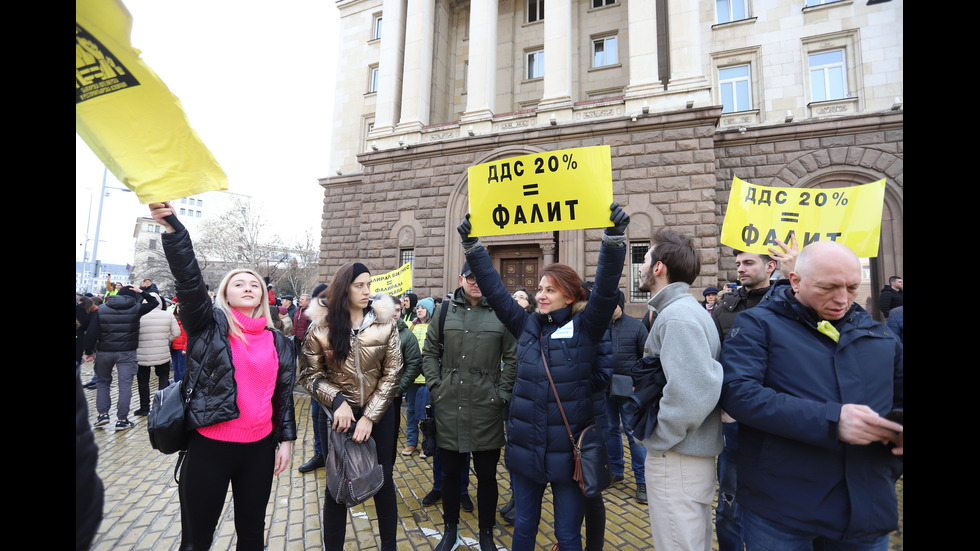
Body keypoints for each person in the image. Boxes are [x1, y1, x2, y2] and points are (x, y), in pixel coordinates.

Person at [456, 202, 629, 551]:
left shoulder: (587, 327)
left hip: (568, 454)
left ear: (570, 294)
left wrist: (613, 238)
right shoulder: (527, 324)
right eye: (539, 289)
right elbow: (493, 288)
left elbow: (607, 287)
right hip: (526, 451)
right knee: (524, 531)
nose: (541, 295)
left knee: (567, 536)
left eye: (549, 290)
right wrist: (473, 247)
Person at [720, 241, 903, 550]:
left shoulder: (882, 336)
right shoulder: (758, 325)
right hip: (782, 512)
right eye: (828, 287)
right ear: (796, 281)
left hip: (866, 510)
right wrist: (832, 421)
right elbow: (739, 393)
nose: (842, 299)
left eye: (852, 287)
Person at [149, 202, 296, 551]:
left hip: (259, 450)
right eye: (238, 284)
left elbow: (283, 396)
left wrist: (285, 441)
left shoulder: (279, 341)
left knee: (251, 536)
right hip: (209, 447)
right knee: (197, 540)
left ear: (262, 294)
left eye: (254, 285)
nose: (247, 288)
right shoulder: (208, 326)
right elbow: (188, 280)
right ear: (224, 294)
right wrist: (175, 231)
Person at [299, 262, 402, 551]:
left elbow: (393, 371)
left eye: (369, 284)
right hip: (336, 416)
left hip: (379, 414)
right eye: (359, 285)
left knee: (383, 481)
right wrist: (338, 401)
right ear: (344, 288)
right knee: (337, 486)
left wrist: (370, 416)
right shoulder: (320, 327)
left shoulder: (385, 323)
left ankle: (389, 547)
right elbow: (309, 375)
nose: (367, 291)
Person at [636, 228, 723, 551]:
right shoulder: (681, 312)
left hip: (677, 456)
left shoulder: (678, 317)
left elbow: (692, 392)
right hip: (684, 455)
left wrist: (658, 439)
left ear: (659, 268)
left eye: (644, 259)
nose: (641, 267)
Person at [421, 262, 518, 551]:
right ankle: (450, 530)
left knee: (487, 475)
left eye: (482, 278)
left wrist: (500, 394)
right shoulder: (444, 311)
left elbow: (513, 358)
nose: (476, 283)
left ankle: (486, 533)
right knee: (450, 473)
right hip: (450, 406)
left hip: (486, 407)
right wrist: (436, 387)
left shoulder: (502, 311)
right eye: (471, 277)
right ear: (461, 278)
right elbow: (429, 351)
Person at [710, 239, 797, 551]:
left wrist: (794, 273)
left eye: (748, 263)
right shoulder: (724, 309)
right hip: (734, 425)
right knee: (728, 504)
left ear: (770, 266)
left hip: (778, 422)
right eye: (738, 264)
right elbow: (713, 363)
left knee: (779, 502)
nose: (740, 269)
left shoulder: (790, 304)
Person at [83, 283, 160, 430]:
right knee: (125, 386)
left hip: (104, 352)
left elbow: (92, 332)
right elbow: (154, 302)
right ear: (134, 296)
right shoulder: (137, 308)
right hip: (127, 353)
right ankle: (122, 419)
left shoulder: (101, 309)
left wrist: (88, 352)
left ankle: (102, 415)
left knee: (103, 383)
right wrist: (142, 292)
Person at [603, 290, 649, 503]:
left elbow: (646, 359)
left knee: (633, 434)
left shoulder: (637, 326)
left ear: (620, 304)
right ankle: (615, 471)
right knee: (611, 431)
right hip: (604, 389)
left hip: (629, 391)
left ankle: (642, 481)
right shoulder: (599, 326)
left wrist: (637, 385)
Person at [296, 287, 328, 473]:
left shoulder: (340, 321)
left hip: (334, 384)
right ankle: (320, 453)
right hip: (314, 382)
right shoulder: (313, 321)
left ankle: (335, 456)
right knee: (316, 418)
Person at [134, 292, 180, 416]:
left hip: (142, 354)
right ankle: (162, 407)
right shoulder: (167, 315)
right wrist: (165, 339)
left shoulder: (138, 315)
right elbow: (176, 333)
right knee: (163, 379)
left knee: (143, 381)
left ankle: (144, 408)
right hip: (162, 353)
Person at [402, 297, 434, 456]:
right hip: (413, 377)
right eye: (418, 307)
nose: (419, 310)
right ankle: (411, 442)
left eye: (423, 308)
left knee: (427, 413)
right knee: (411, 410)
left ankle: (426, 444)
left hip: (428, 377)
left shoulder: (434, 327)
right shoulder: (410, 326)